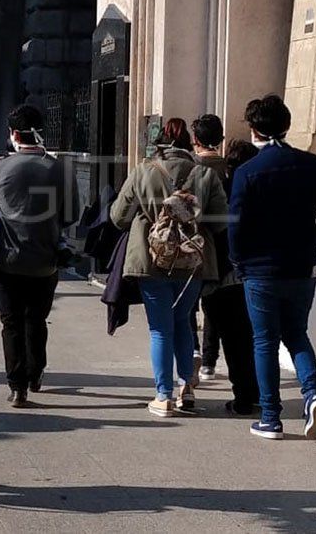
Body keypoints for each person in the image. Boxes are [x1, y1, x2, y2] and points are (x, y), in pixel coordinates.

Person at [229, 94, 316, 440]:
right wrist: (312, 242)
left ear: (254, 130)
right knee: (296, 333)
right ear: (287, 125)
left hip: (260, 269)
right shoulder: (312, 165)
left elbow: (236, 225)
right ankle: (313, 394)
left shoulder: (247, 172)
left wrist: (238, 261)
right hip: (302, 266)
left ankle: (270, 417)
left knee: (265, 341)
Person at [111, 117, 227, 418]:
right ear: (189, 143)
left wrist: (149, 215)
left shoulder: (143, 171)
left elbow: (118, 217)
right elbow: (220, 222)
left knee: (160, 329)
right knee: (183, 321)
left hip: (152, 260)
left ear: (159, 142)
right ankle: (187, 388)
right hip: (192, 263)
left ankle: (163, 396)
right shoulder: (205, 174)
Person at [0, 104, 79, 408]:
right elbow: (71, 215)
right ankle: (35, 372)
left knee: (11, 322)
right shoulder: (60, 169)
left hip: (7, 259)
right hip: (46, 259)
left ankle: (17, 386)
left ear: (14, 134)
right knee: (36, 319)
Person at [208, 140, 261, 415]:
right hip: (257, 274)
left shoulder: (221, 191)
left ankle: (243, 396)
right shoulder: (263, 193)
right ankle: (257, 393)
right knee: (255, 338)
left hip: (224, 275)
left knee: (232, 340)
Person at [191, 113, 229, 380]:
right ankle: (209, 360)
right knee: (214, 304)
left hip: (194, 242)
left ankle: (193, 351)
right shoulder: (230, 168)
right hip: (223, 243)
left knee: (188, 304)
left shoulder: (192, 169)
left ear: (196, 139)